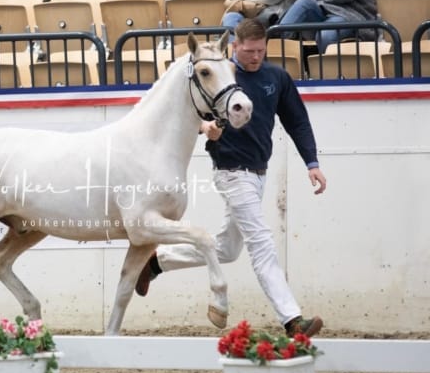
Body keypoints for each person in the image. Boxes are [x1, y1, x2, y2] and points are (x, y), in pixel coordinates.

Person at [135, 18, 327, 338]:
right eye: (249, 51)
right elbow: (184, 110)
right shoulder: (220, 73)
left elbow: (297, 121)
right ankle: (293, 320)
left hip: (259, 173)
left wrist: (312, 162)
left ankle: (156, 263)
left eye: (261, 51)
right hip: (231, 172)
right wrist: (203, 127)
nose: (255, 56)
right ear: (234, 47)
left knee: (227, 249)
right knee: (262, 243)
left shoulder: (275, 77)